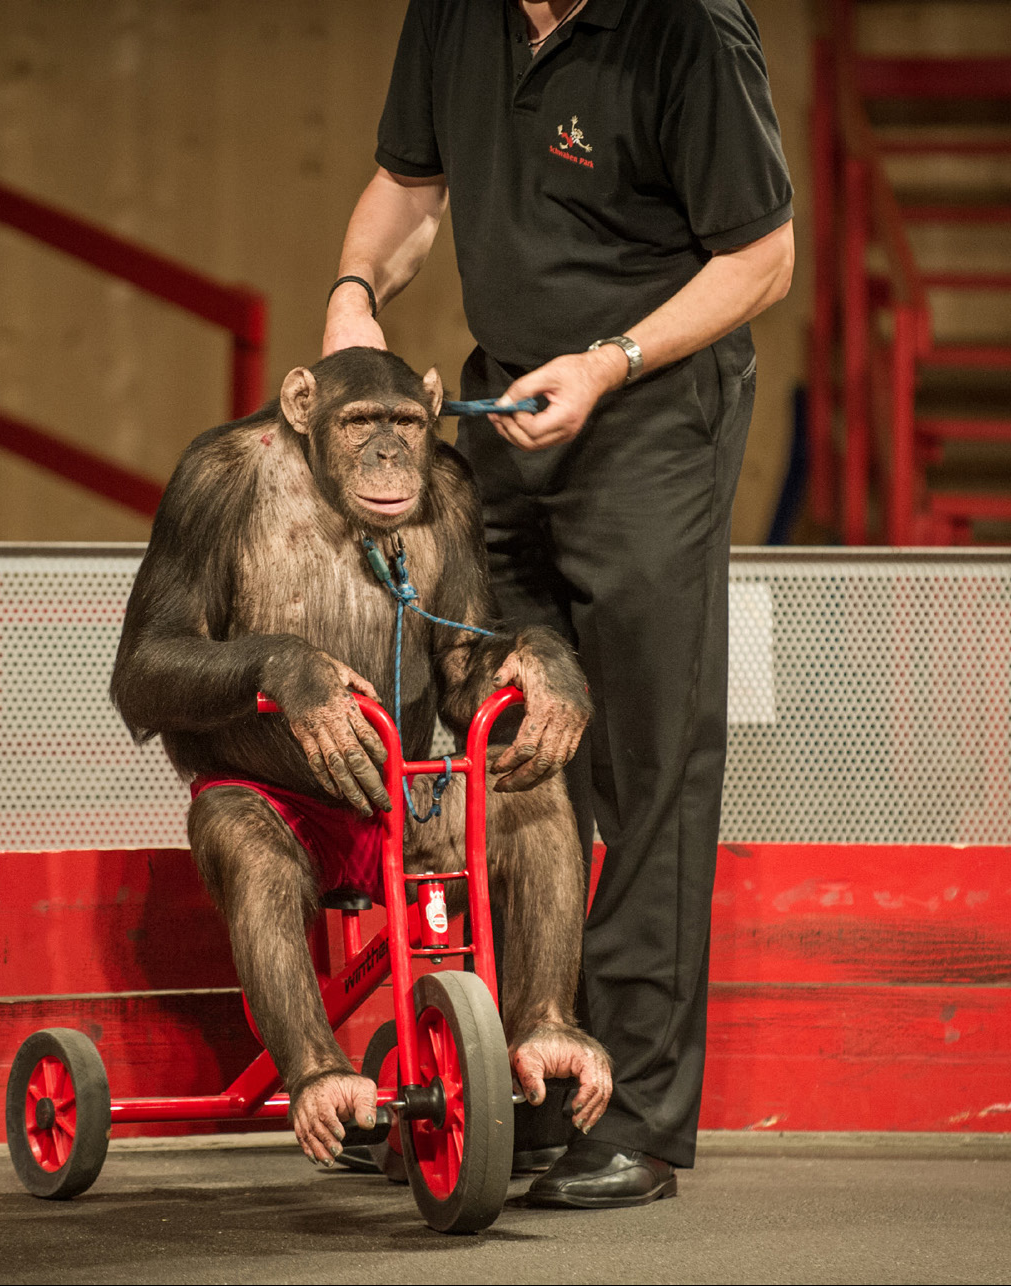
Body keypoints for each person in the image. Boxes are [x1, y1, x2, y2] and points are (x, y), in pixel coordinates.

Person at [321, 0, 794, 1208]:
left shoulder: (688, 29)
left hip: (648, 409)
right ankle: (528, 1075)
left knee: (647, 757)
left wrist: (612, 361)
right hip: (509, 400)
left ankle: (633, 1109)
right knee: (513, 745)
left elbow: (763, 256)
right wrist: (353, 290)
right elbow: (408, 189)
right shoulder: (458, 14)